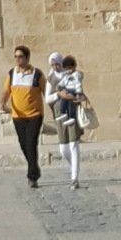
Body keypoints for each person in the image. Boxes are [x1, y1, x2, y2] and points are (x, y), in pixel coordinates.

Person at [3, 45, 46, 186]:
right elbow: (6, 90)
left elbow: (46, 91)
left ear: (27, 58)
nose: (17, 59)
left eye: (20, 56)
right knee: (23, 144)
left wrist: (55, 107)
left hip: (35, 114)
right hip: (18, 115)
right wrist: (2, 103)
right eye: (15, 56)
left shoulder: (37, 74)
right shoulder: (11, 74)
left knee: (31, 143)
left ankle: (32, 176)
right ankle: (35, 167)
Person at [48, 51, 86, 187]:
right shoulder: (51, 78)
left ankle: (74, 177)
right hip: (60, 113)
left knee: (73, 145)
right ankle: (73, 169)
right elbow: (47, 98)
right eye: (52, 64)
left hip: (73, 111)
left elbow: (79, 93)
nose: (55, 67)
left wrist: (70, 96)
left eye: (57, 64)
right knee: (63, 148)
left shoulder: (75, 75)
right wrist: (59, 94)